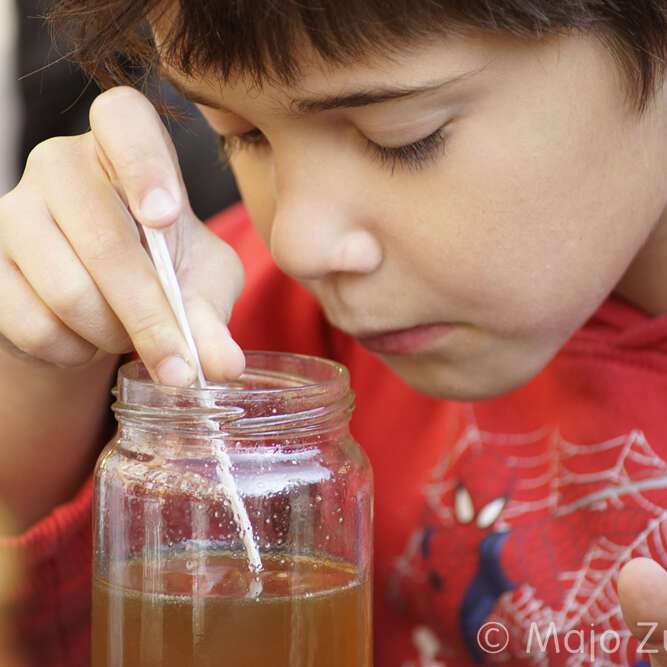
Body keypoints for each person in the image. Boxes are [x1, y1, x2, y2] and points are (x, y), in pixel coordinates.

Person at [0, 0, 666, 664]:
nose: (298, 243)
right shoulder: (256, 320)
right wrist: (59, 336)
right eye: (242, 135)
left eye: (400, 137)